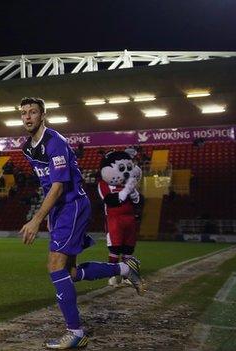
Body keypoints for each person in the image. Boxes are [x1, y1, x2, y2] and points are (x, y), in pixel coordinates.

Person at [18, 97, 144, 349]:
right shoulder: (27, 148)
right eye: (24, 113)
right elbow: (47, 184)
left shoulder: (55, 142)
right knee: (70, 273)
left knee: (55, 266)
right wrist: (51, 217)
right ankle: (125, 269)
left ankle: (75, 332)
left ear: (43, 115)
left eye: (33, 112)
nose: (28, 117)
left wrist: (37, 218)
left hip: (72, 205)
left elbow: (59, 185)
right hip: (60, 210)